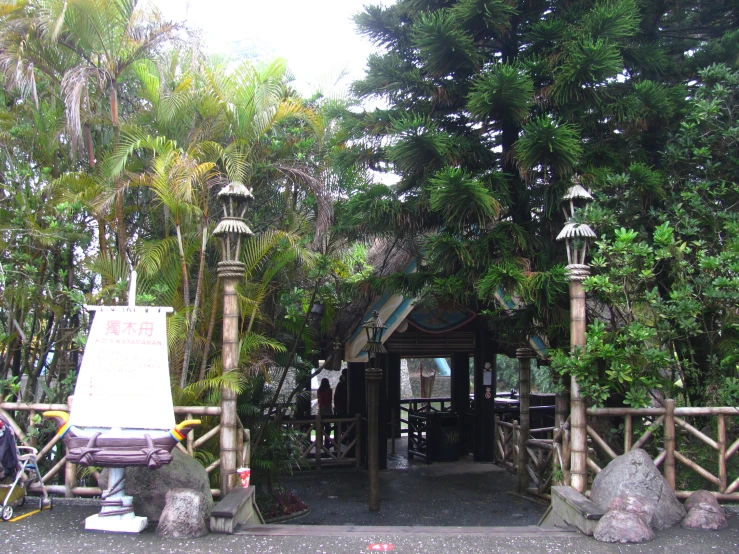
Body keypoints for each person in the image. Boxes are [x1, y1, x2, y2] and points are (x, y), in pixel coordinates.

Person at [317, 378, 333, 449]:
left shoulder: (319, 390)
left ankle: (319, 443)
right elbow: (329, 400)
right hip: (328, 409)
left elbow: (319, 400)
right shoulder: (329, 390)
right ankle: (327, 442)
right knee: (328, 427)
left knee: (320, 426)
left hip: (321, 408)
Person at [333, 369, 348, 443]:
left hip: (342, 408)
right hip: (343, 408)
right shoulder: (342, 384)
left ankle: (339, 440)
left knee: (341, 425)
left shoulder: (341, 384)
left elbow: (336, 398)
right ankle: (341, 440)